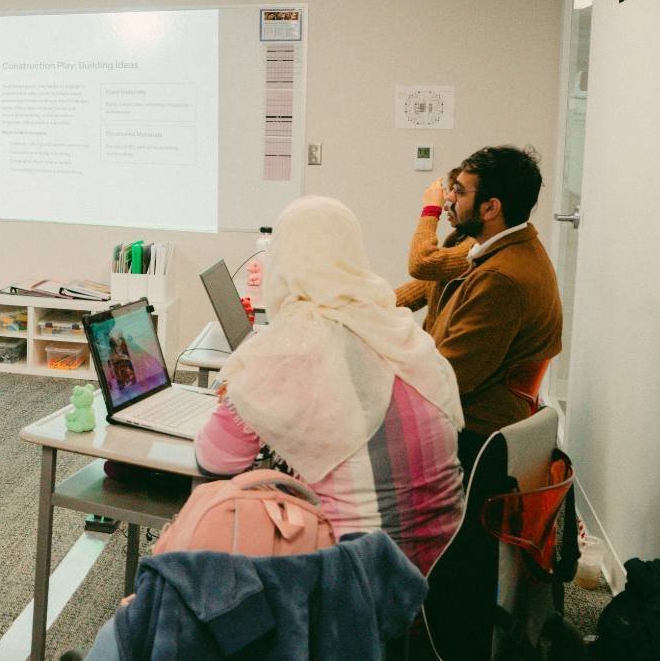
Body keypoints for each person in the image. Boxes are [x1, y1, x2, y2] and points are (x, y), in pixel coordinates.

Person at [193, 196, 464, 574]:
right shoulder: (397, 330)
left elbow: (215, 459)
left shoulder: (291, 347)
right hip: (444, 569)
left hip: (356, 583)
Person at [427, 145, 562, 453]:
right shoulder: (519, 249)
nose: (448, 198)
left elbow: (445, 379)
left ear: (490, 208)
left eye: (459, 192)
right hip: (484, 422)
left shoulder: (500, 280)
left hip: (473, 436)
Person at [393, 167, 475, 332]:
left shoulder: (475, 247)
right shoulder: (460, 241)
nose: (447, 202)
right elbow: (421, 289)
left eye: (457, 192)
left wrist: (431, 210)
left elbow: (422, 263)